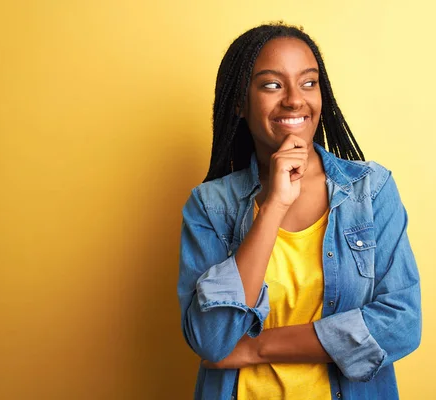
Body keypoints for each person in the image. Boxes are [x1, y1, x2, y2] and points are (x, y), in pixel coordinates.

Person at [178, 22, 421, 400]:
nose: (294, 100)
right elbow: (212, 340)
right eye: (272, 85)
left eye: (308, 83)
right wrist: (274, 205)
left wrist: (258, 348)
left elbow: (401, 324)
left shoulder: (369, 192)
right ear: (240, 103)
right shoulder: (210, 206)